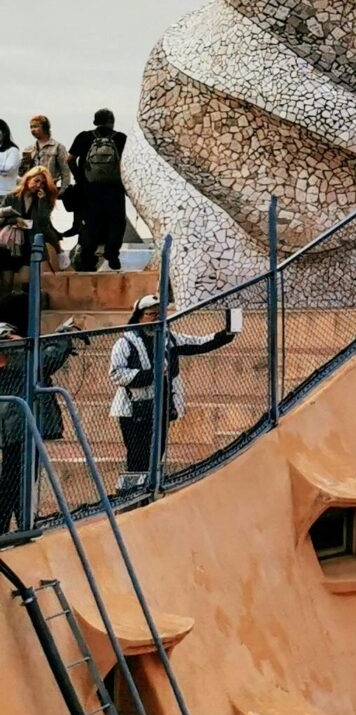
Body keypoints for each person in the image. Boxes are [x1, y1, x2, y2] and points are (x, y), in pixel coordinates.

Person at [107, 294, 237, 492]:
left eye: (159, 314)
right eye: (151, 314)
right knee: (136, 457)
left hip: (161, 406)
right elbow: (116, 374)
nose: (156, 318)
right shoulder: (125, 342)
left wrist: (226, 334)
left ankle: (147, 492)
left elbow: (199, 343)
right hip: (135, 409)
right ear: (139, 317)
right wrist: (152, 375)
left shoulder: (169, 338)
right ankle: (127, 495)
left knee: (156, 453)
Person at [1, 317, 74, 535]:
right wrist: (63, 336)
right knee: (15, 479)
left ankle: (20, 523)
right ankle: (19, 524)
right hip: (18, 427)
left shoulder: (18, 357)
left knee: (17, 478)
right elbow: (47, 360)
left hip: (18, 426)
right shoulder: (16, 358)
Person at [67, 108, 128, 273]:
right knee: (117, 222)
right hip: (114, 190)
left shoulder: (84, 137)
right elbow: (128, 164)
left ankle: (87, 259)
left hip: (89, 190)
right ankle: (112, 253)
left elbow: (70, 159)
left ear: (95, 122)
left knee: (90, 224)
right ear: (112, 121)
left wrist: (79, 177)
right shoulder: (121, 138)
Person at [19, 119, 69, 269]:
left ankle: (59, 251)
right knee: (32, 221)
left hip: (48, 188)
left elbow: (65, 171)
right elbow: (23, 173)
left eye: (36, 127)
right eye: (31, 127)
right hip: (30, 189)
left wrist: (63, 190)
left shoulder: (57, 147)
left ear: (45, 128)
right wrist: (25, 162)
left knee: (43, 220)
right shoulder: (30, 149)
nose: (33, 130)